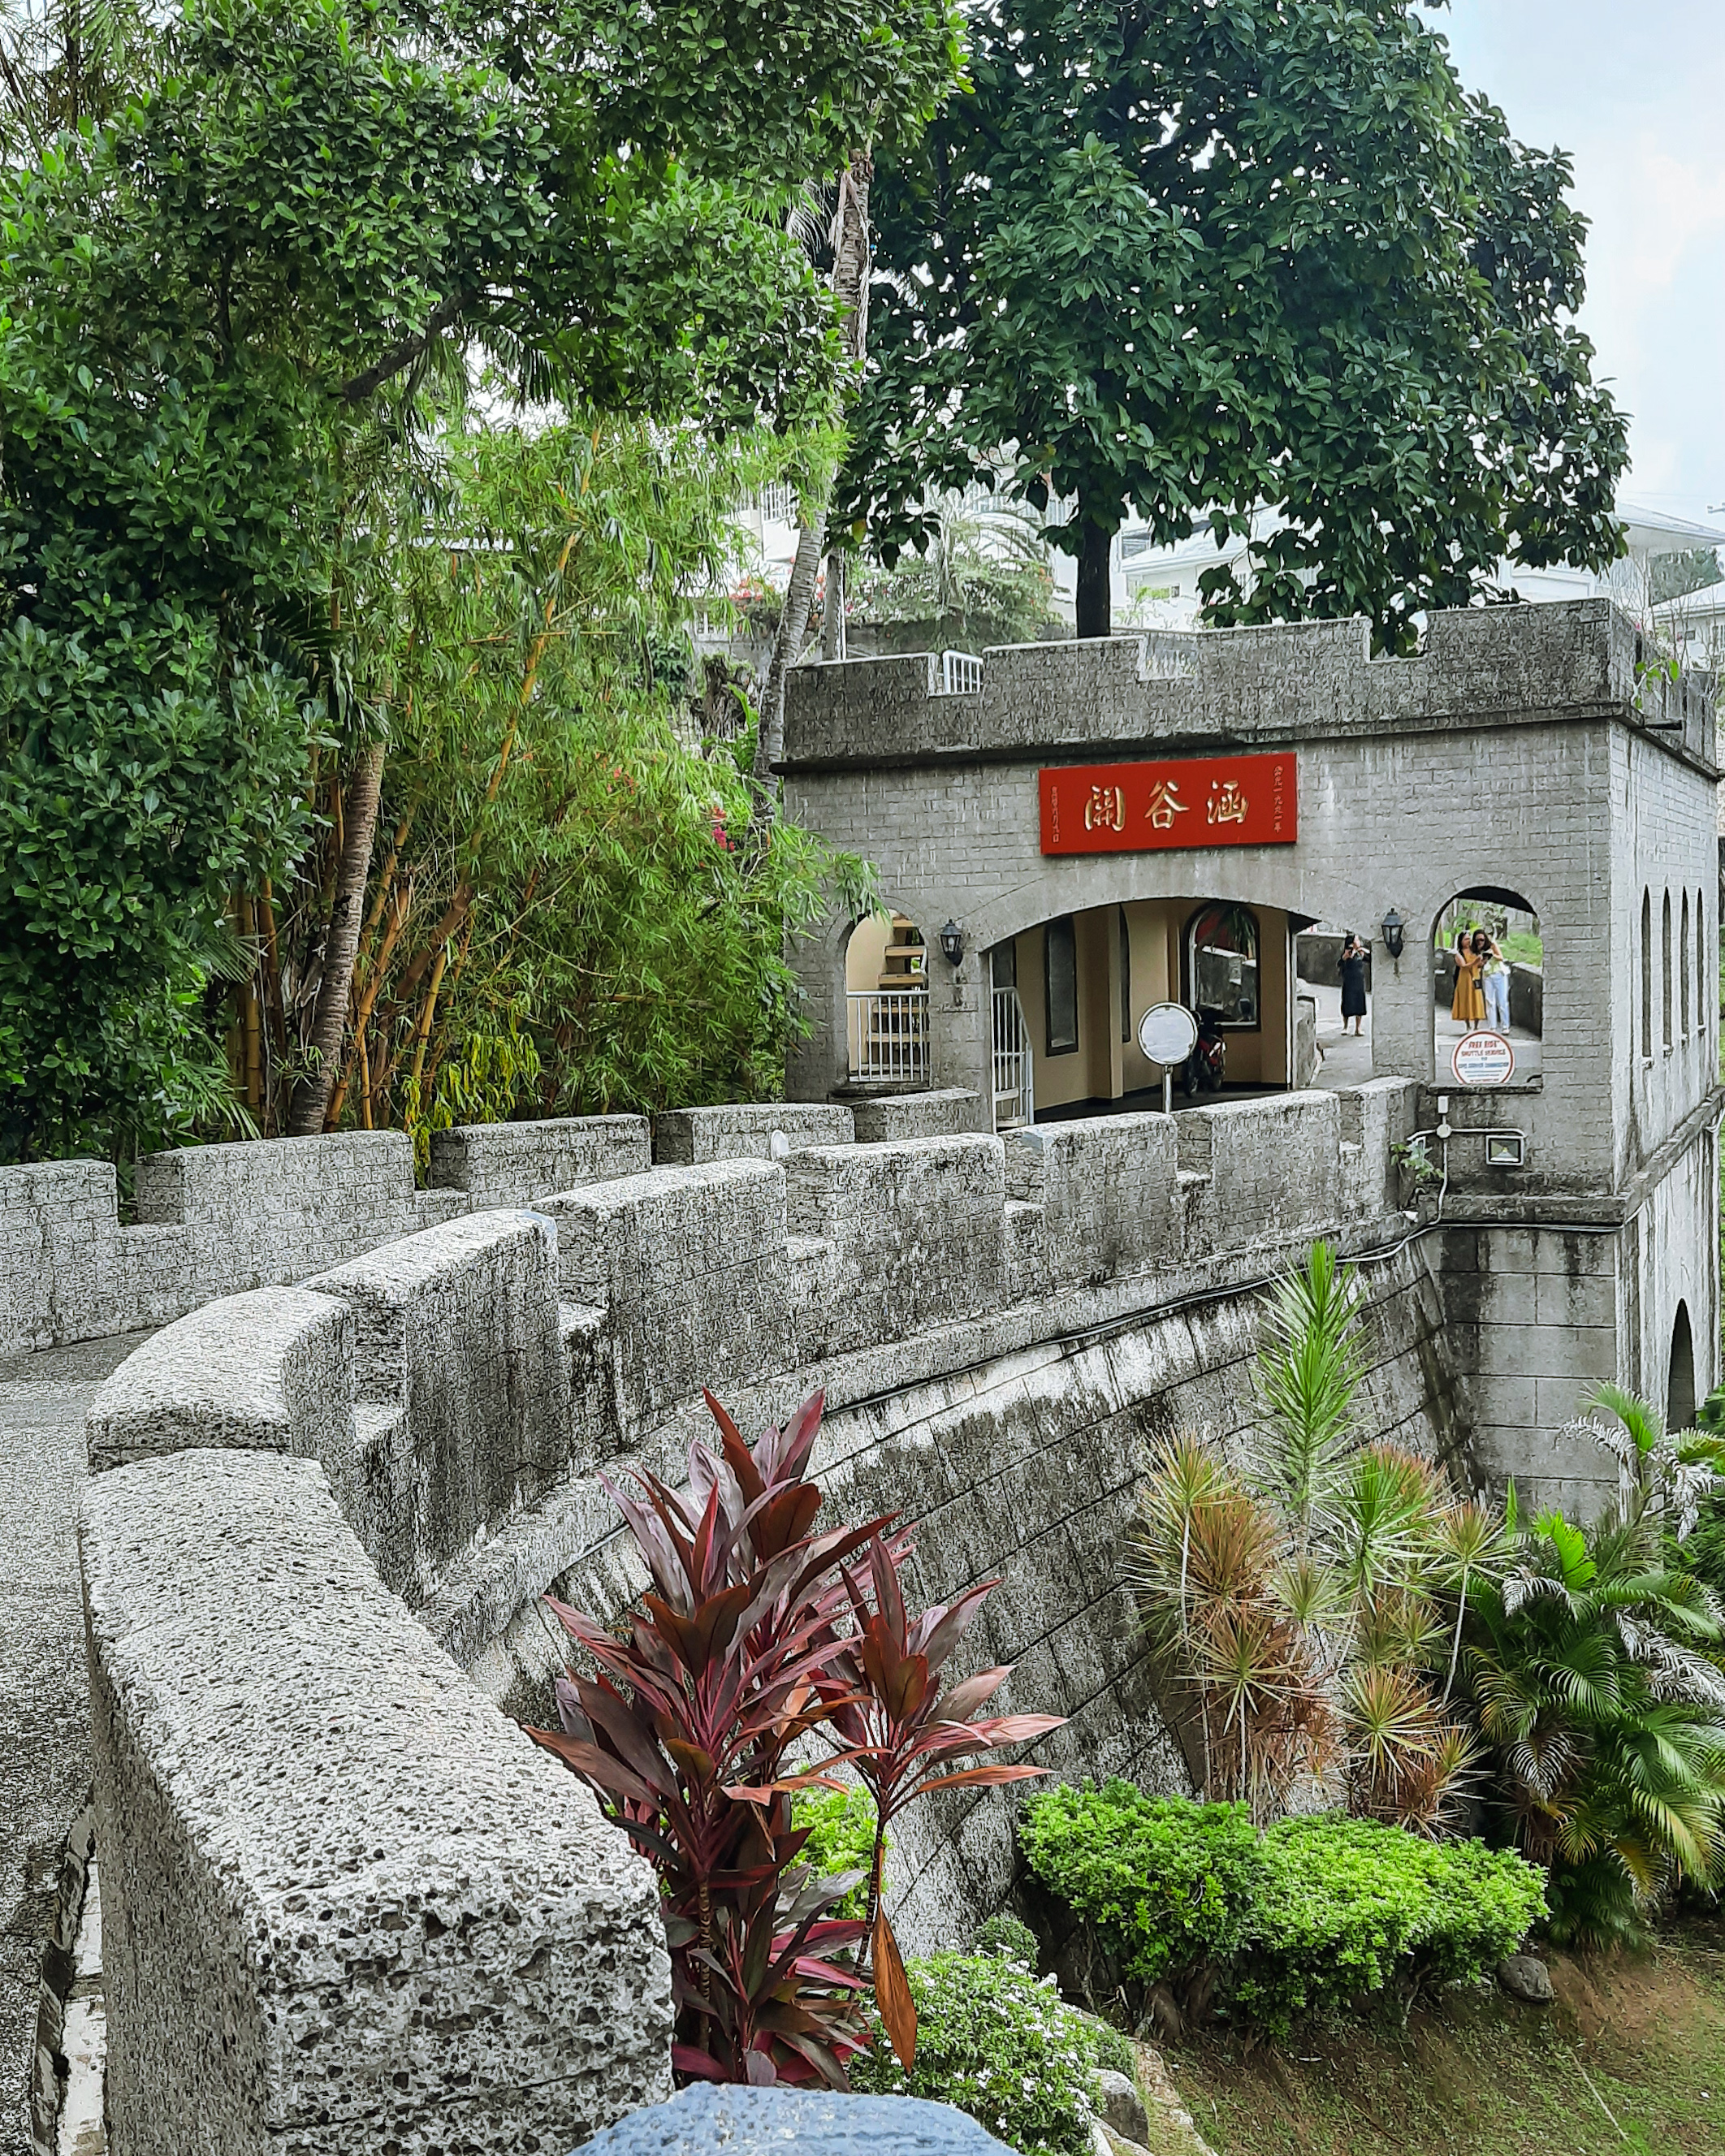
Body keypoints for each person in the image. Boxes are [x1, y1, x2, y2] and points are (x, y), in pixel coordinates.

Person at [1450, 927, 1485, 1026]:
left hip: (1475, 976)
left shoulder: (1474, 951)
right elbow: (1464, 966)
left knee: (1476, 999)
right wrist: (1475, 961)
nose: (1468, 941)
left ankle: (1476, 1025)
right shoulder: (1459, 954)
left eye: (1469, 939)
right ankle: (1468, 1024)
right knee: (1466, 999)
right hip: (1464, 978)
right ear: (1461, 941)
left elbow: (1479, 965)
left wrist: (1481, 962)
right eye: (1466, 939)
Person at [1478, 929, 1511, 1035]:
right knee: (1489, 1001)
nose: (1480, 942)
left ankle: (1505, 1026)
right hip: (1487, 975)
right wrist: (1483, 960)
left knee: (1502, 1001)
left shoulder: (1492, 945)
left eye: (1482, 939)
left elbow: (1501, 957)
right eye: (1478, 940)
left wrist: (1492, 955)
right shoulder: (1478, 949)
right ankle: (1492, 1026)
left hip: (1498, 974)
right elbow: (1479, 965)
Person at [1338, 931, 1368, 1037]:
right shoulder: (1347, 953)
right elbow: (1339, 964)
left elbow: (1370, 959)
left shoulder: (1360, 953)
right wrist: (1344, 958)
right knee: (1347, 1003)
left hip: (1359, 980)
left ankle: (1358, 1028)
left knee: (1359, 1004)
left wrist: (1363, 951)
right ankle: (1345, 1026)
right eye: (1356, 940)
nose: (1358, 942)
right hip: (1349, 981)